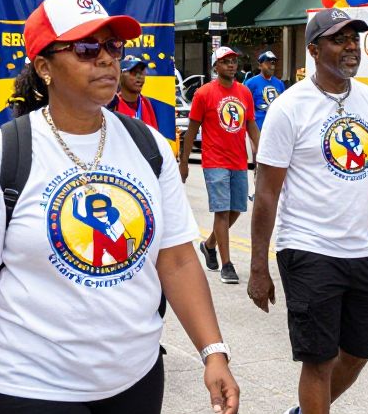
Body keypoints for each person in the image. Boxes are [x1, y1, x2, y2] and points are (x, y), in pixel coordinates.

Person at [0, 0, 239, 414]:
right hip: (31, 387)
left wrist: (213, 352)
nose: (108, 61)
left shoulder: (149, 147)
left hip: (134, 380)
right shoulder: (1, 157)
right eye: (87, 49)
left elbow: (176, 259)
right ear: (45, 66)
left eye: (113, 47)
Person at [247, 7, 368, 414]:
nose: (350, 46)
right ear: (313, 49)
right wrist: (258, 267)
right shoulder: (289, 108)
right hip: (306, 248)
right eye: (339, 39)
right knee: (318, 360)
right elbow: (266, 194)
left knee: (359, 350)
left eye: (354, 38)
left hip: (361, 249)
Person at [180, 46, 259, 285]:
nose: (231, 65)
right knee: (222, 211)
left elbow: (251, 126)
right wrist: (183, 163)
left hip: (238, 160)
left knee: (236, 209)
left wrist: (263, 153)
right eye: (226, 62)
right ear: (216, 66)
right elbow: (192, 130)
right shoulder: (204, 94)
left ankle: (210, 244)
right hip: (214, 161)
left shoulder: (244, 93)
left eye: (234, 61)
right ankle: (227, 264)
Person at [106, 56, 170, 133]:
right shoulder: (112, 105)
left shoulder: (146, 103)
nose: (139, 77)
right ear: (120, 74)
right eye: (134, 72)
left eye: (142, 72)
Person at [244, 51, 286, 130]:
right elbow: (244, 107)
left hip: (276, 128)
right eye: (268, 63)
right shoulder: (250, 83)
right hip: (258, 129)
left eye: (273, 63)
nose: (271, 66)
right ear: (260, 66)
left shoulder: (280, 84)